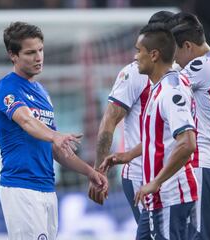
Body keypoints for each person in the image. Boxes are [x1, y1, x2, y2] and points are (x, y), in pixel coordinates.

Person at [0, 22, 107, 240]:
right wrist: (55, 135)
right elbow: (26, 121)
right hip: (21, 188)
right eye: (30, 52)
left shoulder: (43, 94)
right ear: (13, 55)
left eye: (41, 50)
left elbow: (56, 148)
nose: (38, 57)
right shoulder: (6, 88)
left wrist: (91, 172)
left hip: (47, 187)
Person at [101, 24, 198, 240]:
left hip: (171, 195)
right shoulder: (158, 87)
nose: (135, 57)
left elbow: (187, 143)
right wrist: (128, 155)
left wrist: (156, 182)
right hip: (160, 195)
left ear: (154, 55)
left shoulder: (171, 91)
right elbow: (161, 139)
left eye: (138, 50)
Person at [88, 11, 175, 224]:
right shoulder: (134, 73)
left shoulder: (182, 72)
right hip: (140, 174)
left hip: (175, 171)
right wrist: (99, 172)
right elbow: (110, 120)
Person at [170, 12, 210, 240]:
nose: (175, 60)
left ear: (188, 46)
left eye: (175, 53)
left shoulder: (200, 66)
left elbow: (167, 88)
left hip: (202, 164)